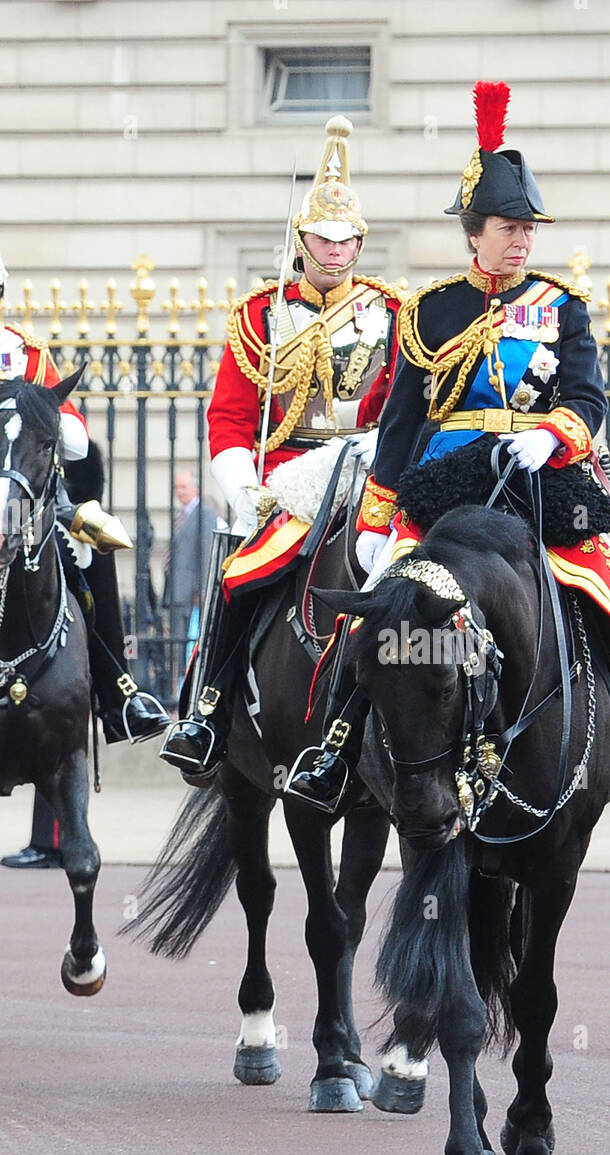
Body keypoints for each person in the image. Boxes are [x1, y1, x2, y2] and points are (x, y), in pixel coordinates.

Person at [289, 81, 610, 821]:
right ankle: (336, 747)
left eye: (528, 227)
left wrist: (553, 432)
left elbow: (589, 399)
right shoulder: (428, 310)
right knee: (381, 611)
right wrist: (379, 521)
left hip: (542, 478)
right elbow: (404, 425)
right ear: (473, 231)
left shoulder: (561, 305)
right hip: (447, 484)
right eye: (509, 225)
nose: (522, 239)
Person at [160, 115, 402, 780]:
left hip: (367, 477)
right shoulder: (259, 315)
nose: (334, 248)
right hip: (281, 485)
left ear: (360, 242)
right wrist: (243, 487)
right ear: (303, 240)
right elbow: (231, 418)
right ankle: (207, 708)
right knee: (239, 575)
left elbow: (401, 408)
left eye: (346, 237)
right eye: (323, 237)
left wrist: (380, 452)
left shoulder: (391, 313)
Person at [0, 253, 169, 869]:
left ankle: (118, 692)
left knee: (85, 559)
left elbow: (73, 436)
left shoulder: (26, 351)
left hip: (25, 497)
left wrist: (45, 417)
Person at [162, 469, 219, 694]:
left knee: (190, 644)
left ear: (195, 488)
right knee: (177, 645)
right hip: (177, 592)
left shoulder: (204, 514)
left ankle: (189, 691)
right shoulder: (183, 515)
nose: (179, 492)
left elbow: (206, 552)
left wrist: (203, 589)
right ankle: (177, 691)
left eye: (184, 487)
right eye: (177, 488)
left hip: (192, 593)